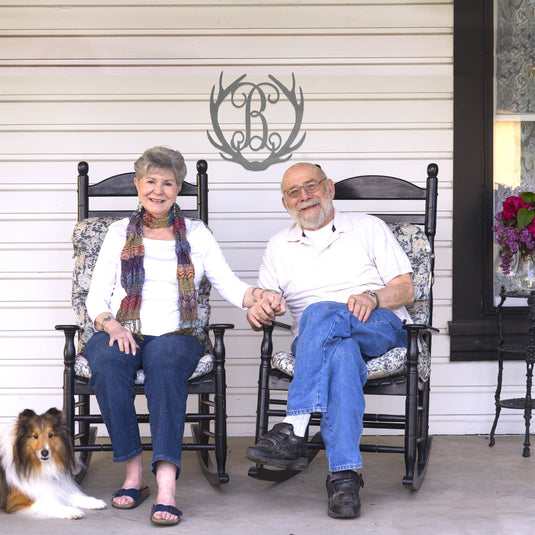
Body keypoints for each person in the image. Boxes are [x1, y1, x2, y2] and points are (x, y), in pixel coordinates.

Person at [84, 146, 283, 526]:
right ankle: (133, 475)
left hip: (178, 332)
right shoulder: (116, 233)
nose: (158, 191)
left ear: (178, 189)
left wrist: (260, 296)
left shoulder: (196, 234)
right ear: (138, 185)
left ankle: (166, 487)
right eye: (151, 182)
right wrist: (111, 325)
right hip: (121, 327)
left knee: (165, 367)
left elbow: (229, 285)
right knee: (108, 363)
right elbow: (96, 295)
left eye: (168, 183)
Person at [245, 162, 414, 519]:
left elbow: (406, 289)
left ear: (329, 188)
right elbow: (267, 301)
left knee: (320, 312)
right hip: (317, 343)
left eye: (311, 187)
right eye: (294, 192)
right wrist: (260, 310)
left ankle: (295, 426)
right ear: (285, 202)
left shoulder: (368, 227)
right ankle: (344, 478)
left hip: (378, 324)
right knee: (340, 353)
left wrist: (373, 296)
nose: (304, 197)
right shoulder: (278, 245)